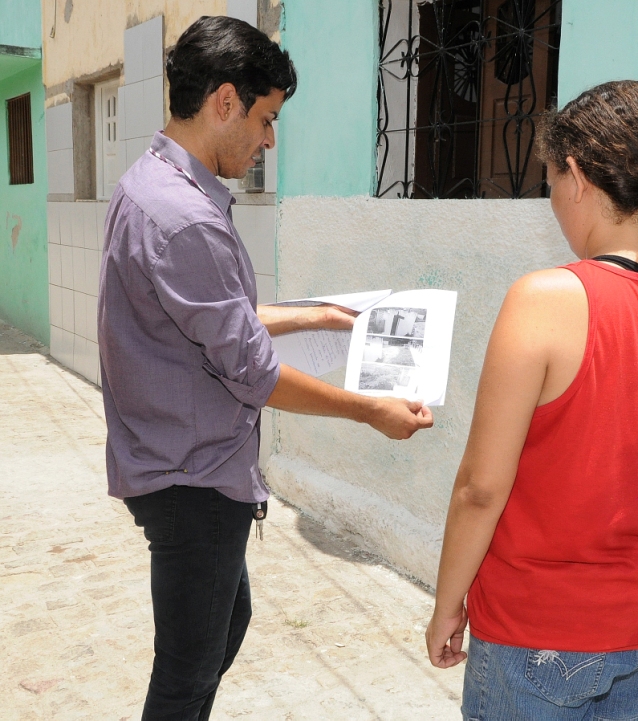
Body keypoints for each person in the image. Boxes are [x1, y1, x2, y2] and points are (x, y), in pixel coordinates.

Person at [98, 17, 432, 720]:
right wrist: (369, 409)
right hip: (190, 474)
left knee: (224, 627)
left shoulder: (149, 184)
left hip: (176, 458)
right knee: (187, 671)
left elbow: (211, 314)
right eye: (266, 118)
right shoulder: (183, 216)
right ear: (225, 101)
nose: (268, 140)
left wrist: (315, 314)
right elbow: (252, 370)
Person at [424, 80, 638, 718]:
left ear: (578, 176)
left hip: (542, 627)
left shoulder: (546, 298)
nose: (553, 199)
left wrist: (448, 602)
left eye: (551, 179)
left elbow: (481, 486)